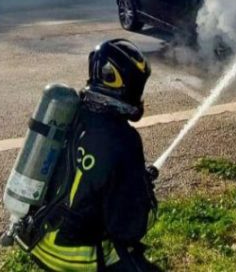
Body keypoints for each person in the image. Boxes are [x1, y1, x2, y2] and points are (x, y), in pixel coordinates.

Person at [29, 39, 161, 271]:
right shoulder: (124, 140)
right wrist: (144, 193)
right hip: (78, 259)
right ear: (128, 86)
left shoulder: (73, 114)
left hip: (41, 240)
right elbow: (129, 228)